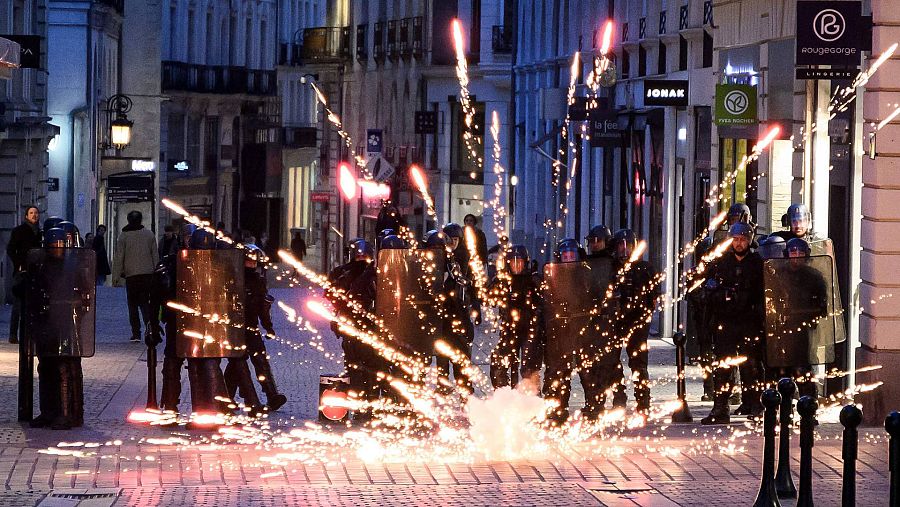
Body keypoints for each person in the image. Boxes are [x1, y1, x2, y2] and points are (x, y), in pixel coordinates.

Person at [700, 223, 765, 424]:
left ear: (749, 240)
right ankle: (720, 408)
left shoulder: (757, 264)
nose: (739, 243)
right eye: (735, 239)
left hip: (749, 321)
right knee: (723, 366)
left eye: (743, 239)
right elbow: (707, 291)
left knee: (752, 366)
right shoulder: (721, 263)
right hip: (726, 321)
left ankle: (757, 406)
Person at [766, 238, 829, 400]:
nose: (796, 256)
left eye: (800, 252)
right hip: (780, 329)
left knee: (802, 370)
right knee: (780, 370)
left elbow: (822, 305)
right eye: (793, 252)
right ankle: (780, 405)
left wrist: (809, 312)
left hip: (802, 329)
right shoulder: (778, 274)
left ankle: (809, 404)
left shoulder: (814, 277)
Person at [326, 239, 382, 422]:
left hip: (370, 327)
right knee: (355, 367)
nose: (361, 259)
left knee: (371, 367)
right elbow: (331, 294)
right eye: (358, 256)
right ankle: (359, 406)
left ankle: (371, 405)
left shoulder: (375, 273)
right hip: (351, 327)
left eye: (364, 256)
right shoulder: (344, 273)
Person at [608, 229, 657, 415]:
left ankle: (643, 401)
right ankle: (619, 397)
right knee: (612, 361)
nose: (624, 249)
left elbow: (653, 297)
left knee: (638, 363)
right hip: (616, 321)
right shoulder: (610, 268)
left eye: (628, 245)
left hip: (637, 320)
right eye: (621, 245)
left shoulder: (645, 269)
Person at [487, 244, 542, 389]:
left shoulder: (532, 280)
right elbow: (489, 297)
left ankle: (530, 396)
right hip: (509, 329)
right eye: (513, 262)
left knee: (529, 366)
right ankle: (504, 393)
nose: (516, 266)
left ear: (526, 262)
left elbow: (544, 299)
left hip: (529, 329)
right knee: (499, 362)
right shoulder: (503, 280)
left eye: (520, 262)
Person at [241, 244, 287, 411]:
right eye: (249, 262)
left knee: (260, 361)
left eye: (254, 262)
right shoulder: (235, 278)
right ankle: (228, 397)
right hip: (236, 328)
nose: (252, 265)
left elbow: (262, 307)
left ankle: (271, 395)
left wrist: (268, 327)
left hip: (251, 327)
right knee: (237, 365)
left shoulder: (258, 281)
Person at [436, 223, 477, 394]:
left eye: (455, 240)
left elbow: (469, 284)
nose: (452, 243)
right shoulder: (440, 256)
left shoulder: (463, 257)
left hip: (459, 310)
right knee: (442, 350)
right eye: (449, 239)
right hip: (444, 309)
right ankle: (443, 383)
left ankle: (464, 386)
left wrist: (476, 307)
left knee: (461, 350)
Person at [112, 210, 160, 343]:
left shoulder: (124, 236)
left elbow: (119, 257)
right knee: (145, 304)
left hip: (131, 276)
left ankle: (136, 333)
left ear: (128, 220)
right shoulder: (149, 235)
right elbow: (155, 256)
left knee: (132, 306)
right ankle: (150, 328)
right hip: (147, 275)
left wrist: (116, 277)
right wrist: (157, 274)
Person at [6, 205, 41, 344]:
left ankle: (31, 334)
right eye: (31, 213)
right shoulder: (19, 231)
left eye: (36, 213)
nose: (34, 215)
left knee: (34, 304)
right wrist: (18, 263)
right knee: (18, 304)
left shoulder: (40, 232)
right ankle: (13, 334)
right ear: (26, 216)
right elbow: (10, 249)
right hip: (22, 272)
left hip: (36, 272)